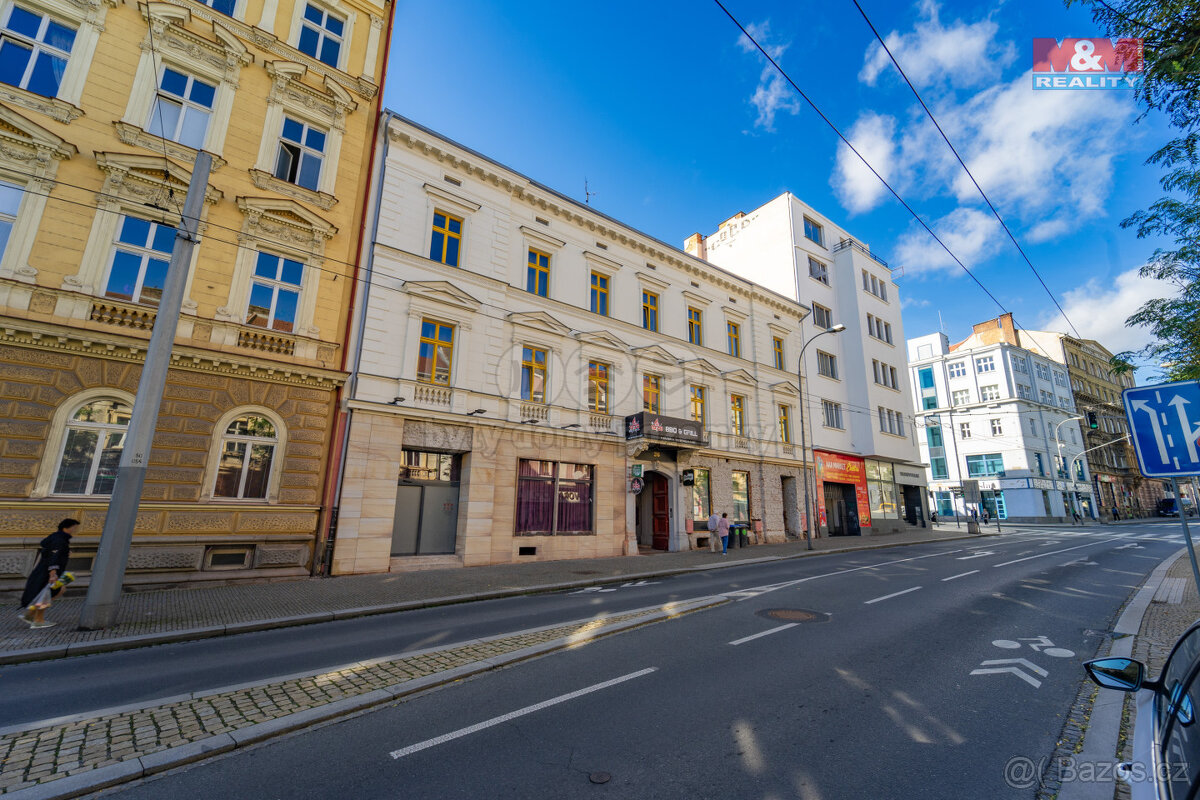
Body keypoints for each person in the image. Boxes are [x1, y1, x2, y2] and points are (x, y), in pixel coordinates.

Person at [19, 518, 77, 629]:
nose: (75, 530)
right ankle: (38, 620)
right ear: (66, 528)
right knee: (47, 594)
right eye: (73, 527)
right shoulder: (59, 539)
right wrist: (53, 573)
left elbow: (51, 552)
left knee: (55, 591)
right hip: (48, 573)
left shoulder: (57, 537)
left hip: (45, 571)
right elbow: (54, 556)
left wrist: (64, 552)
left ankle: (30, 615)